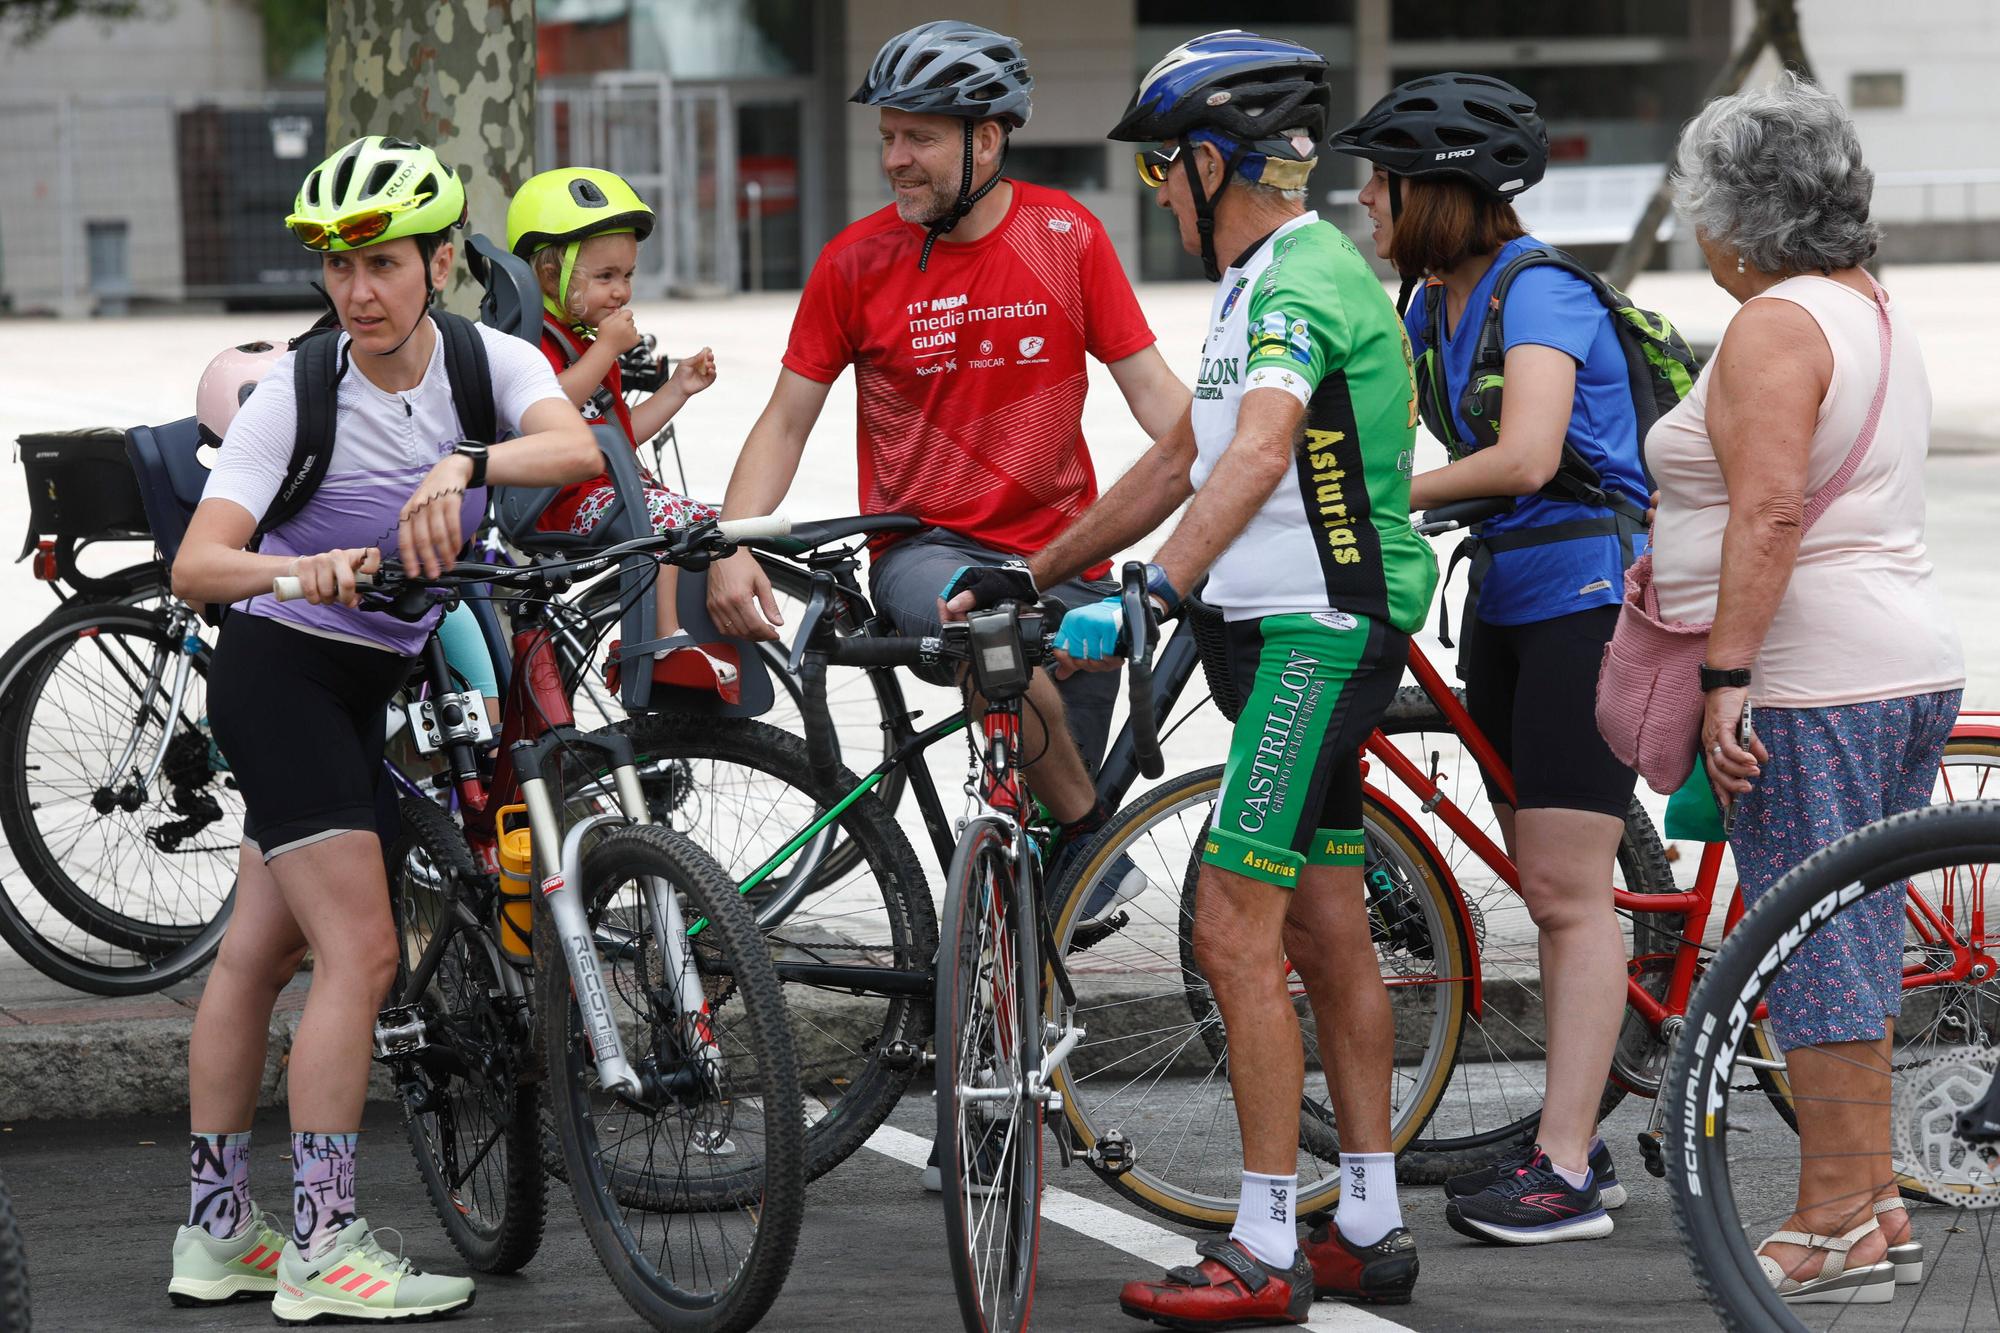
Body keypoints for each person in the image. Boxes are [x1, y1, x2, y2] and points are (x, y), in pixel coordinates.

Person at [1011, 31, 1434, 1324]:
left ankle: (1263, 1247)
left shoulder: (1298, 283)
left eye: (1160, 173)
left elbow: (1255, 454)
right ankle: (1364, 1217)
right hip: (1288, 628)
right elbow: (1177, 469)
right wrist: (1030, 576)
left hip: (1315, 631)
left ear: (1209, 161)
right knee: (1322, 921)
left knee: (1229, 931)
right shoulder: (1268, 277)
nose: (1160, 197)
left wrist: (1155, 588)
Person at [166, 134, 597, 1322]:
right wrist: (310, 576)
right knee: (359, 954)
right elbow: (198, 564)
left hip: (364, 689)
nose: (358, 291)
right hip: (282, 681)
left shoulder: (482, 362)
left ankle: (215, 1236)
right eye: (338, 267)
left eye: (384, 264)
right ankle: (322, 1243)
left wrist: (464, 465)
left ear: (440, 261)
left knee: (259, 954)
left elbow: (572, 443)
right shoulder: (300, 395)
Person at [702, 19, 1190, 919]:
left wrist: (1256, 472)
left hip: (1066, 556)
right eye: (887, 136)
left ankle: (1015, 995)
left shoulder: (1067, 236)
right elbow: (783, 423)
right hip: (926, 549)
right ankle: (1094, 843)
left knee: (1045, 901)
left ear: (988, 139)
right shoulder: (854, 264)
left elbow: (1161, 400)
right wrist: (729, 543)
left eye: (917, 136)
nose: (894, 158)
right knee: (991, 632)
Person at [1653, 75, 1962, 1305]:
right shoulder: (1865, 306)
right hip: (1900, 659)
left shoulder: (1774, 323)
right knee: (1856, 927)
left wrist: (1726, 671)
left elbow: (1771, 507)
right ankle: (1871, 1199)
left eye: (1695, 206)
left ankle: (1833, 1213)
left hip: (1810, 675)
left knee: (1809, 937)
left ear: (1733, 215)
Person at [1332, 73, 1647, 1244]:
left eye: (1379, 181)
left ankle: (1563, 1172)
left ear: (1437, 193)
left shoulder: (1539, 292)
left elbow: (1522, 458)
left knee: (1567, 896)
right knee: (1555, 888)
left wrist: (1380, 500)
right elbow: (1370, 438)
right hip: (1512, 607)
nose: (1362, 199)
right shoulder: (1428, 307)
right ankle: (1581, 1133)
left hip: (1585, 602)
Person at [506, 167, 731, 694]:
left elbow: (620, 436)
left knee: (709, 525)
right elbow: (544, 408)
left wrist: (676, 389)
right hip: (560, 501)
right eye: (605, 277)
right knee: (664, 519)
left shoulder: (586, 340)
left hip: (612, 491)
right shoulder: (531, 345)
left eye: (627, 276)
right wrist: (606, 349)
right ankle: (657, 642)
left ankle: (690, 640)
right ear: (547, 275)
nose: (622, 291)